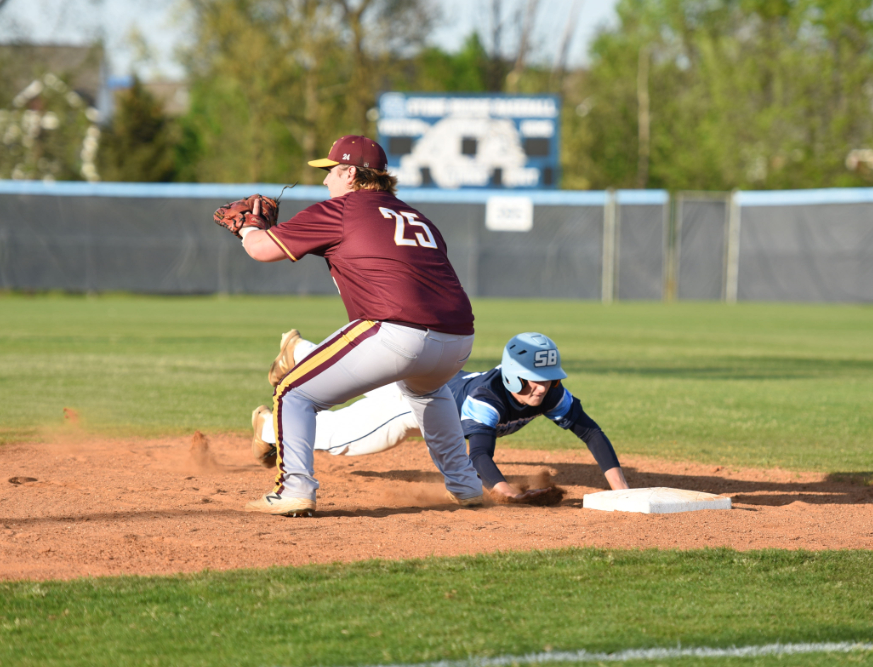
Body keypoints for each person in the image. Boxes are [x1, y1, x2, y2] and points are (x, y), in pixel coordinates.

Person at [234, 135, 483, 516]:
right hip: (458, 339)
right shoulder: (419, 218)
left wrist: (247, 229)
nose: (325, 181)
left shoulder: (342, 210)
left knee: (293, 392)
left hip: (396, 332)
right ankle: (466, 486)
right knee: (428, 394)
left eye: (330, 172)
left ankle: (295, 490)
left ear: (351, 173)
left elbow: (261, 249)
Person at [253, 331, 629, 501]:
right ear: (513, 375)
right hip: (416, 406)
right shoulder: (488, 399)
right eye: (534, 382)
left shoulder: (549, 394)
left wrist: (621, 491)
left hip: (432, 381)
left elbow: (590, 432)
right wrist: (504, 492)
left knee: (361, 374)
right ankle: (270, 426)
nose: (543, 390)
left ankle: (300, 350)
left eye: (548, 382)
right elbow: (478, 455)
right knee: (345, 440)